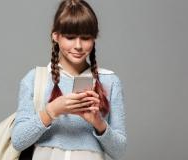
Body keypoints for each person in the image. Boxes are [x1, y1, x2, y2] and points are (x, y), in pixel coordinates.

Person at [11, 0, 127, 160]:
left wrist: (98, 123)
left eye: (86, 38)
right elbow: (18, 141)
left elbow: (119, 151)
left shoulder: (110, 81)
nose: (78, 45)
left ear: (94, 39)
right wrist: (52, 111)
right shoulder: (35, 78)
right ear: (56, 36)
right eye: (70, 37)